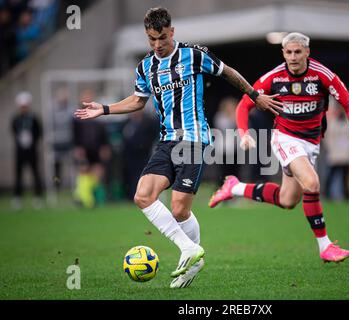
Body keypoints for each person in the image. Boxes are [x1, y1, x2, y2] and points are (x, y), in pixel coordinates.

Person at [74, 7, 282, 288]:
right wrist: (106, 108)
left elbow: (227, 72)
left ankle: (190, 257)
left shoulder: (194, 55)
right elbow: (138, 101)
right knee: (143, 195)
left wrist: (254, 96)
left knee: (179, 210)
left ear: (171, 32)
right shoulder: (146, 67)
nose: (157, 44)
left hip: (195, 138)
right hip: (167, 140)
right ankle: (190, 251)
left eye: (161, 37)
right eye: (151, 39)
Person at [209, 32, 349, 263]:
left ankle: (234, 188)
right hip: (285, 138)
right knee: (312, 183)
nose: (293, 57)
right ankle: (325, 246)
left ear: (307, 52)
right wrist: (244, 134)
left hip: (311, 142)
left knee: (287, 200)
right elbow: (244, 105)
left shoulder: (322, 75)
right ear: (283, 53)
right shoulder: (273, 78)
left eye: (298, 52)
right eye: (289, 52)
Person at [73, 89, 111, 208]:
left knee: (97, 174)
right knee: (84, 172)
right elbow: (75, 135)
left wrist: (105, 147)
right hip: (84, 150)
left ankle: (87, 197)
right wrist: (77, 148)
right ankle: (84, 198)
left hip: (96, 150)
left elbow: (104, 135)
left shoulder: (98, 116)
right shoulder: (77, 118)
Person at [10, 91, 44, 210]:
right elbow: (13, 131)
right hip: (20, 150)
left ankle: (38, 197)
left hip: (32, 150)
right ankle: (18, 198)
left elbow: (39, 132)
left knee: (35, 173)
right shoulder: (16, 119)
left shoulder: (33, 118)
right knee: (18, 174)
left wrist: (32, 141)